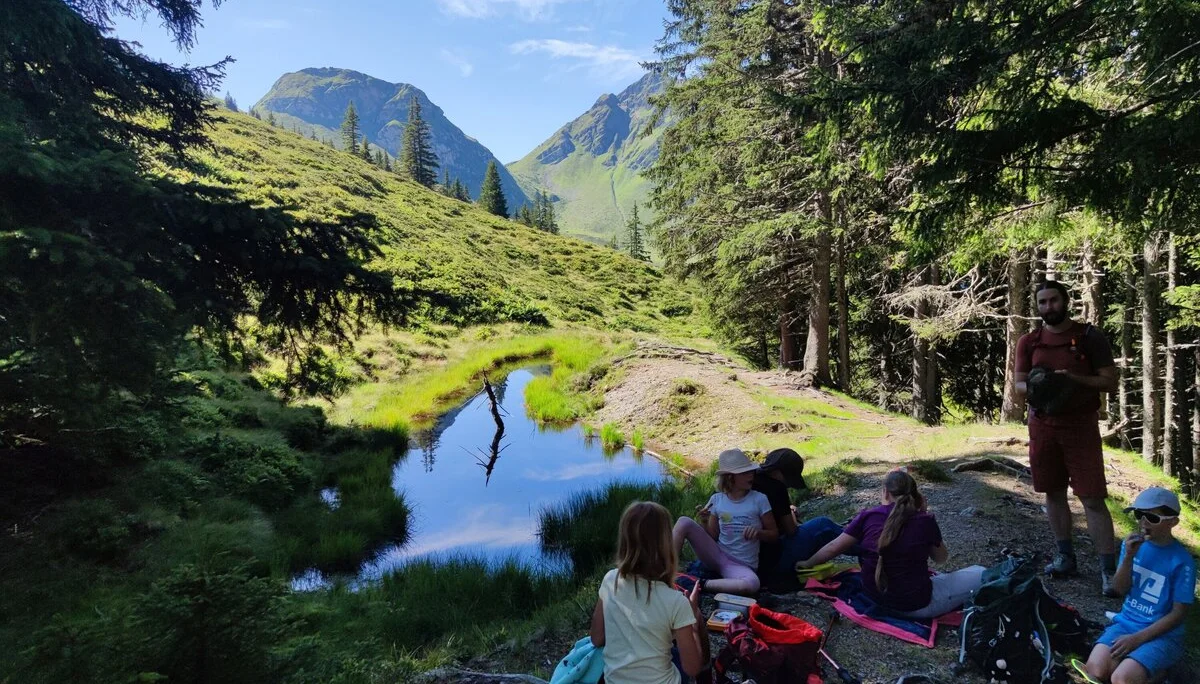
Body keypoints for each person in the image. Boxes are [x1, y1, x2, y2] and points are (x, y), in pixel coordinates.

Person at [1014, 280, 1119, 595]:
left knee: (1091, 497)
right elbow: (1018, 385)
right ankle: (1065, 557)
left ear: (1066, 301)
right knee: (1053, 492)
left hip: (1080, 425)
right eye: (1043, 302)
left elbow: (1109, 381)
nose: (1048, 307)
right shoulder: (1029, 342)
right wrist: (1039, 384)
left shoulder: (1089, 337)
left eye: (1053, 301)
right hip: (1042, 424)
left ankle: (1108, 572)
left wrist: (1073, 380)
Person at [796, 469, 984, 618]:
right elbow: (941, 559)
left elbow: (833, 547)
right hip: (916, 605)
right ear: (916, 496)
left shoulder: (868, 515)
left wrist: (807, 563)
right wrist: (925, 516)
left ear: (885, 492)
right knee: (981, 573)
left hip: (875, 598)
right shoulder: (924, 521)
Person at [1083, 487, 1194, 684]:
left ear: (1173, 522)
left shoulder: (1182, 561)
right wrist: (1127, 558)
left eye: (1152, 518)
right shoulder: (1132, 546)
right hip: (1127, 623)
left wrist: (1138, 639)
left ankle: (1163, 672)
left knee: (1121, 679)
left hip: (1163, 635)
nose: (1143, 521)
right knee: (1095, 670)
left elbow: (1178, 614)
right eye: (1139, 514)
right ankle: (1140, 666)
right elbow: (1118, 589)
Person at [590, 501, 709, 684]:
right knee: (693, 635)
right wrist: (693, 620)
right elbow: (692, 667)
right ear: (666, 545)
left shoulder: (610, 580)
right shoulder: (676, 602)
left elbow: (597, 639)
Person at [672, 448, 778, 595]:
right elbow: (713, 537)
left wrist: (759, 533)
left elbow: (774, 534)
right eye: (744, 473)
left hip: (740, 565)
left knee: (752, 584)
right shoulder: (717, 500)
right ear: (730, 477)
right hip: (717, 555)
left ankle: (698, 583)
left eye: (751, 471)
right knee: (684, 521)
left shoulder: (759, 499)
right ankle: (666, 572)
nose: (751, 476)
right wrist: (704, 521)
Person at [753, 447, 843, 585]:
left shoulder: (750, 480)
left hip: (748, 562)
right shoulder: (777, 488)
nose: (787, 484)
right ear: (777, 472)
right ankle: (867, 546)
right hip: (774, 561)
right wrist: (792, 514)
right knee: (823, 525)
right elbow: (791, 530)